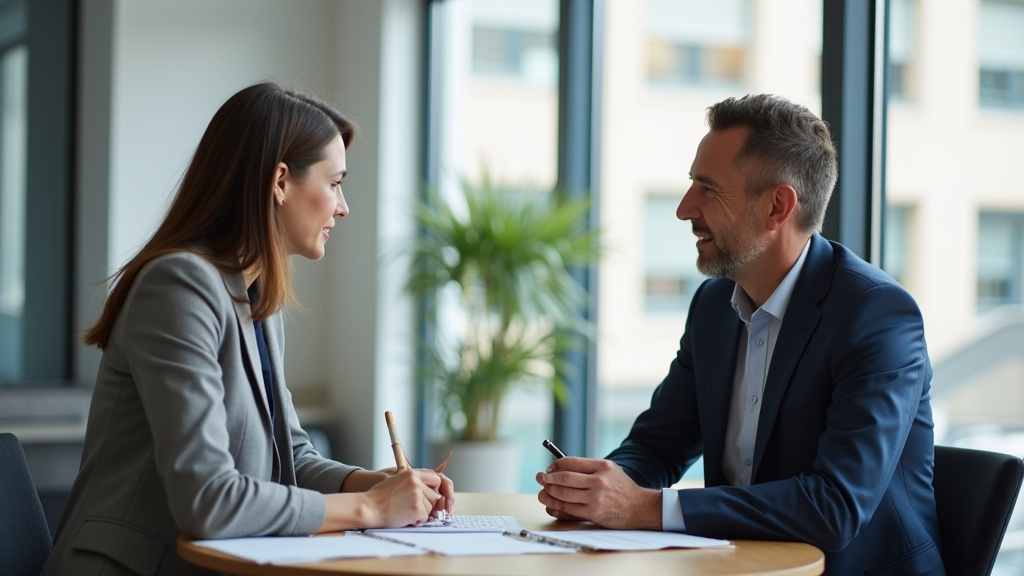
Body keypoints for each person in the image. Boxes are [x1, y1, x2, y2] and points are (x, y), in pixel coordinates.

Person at [43, 82, 454, 576]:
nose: (343, 207)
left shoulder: (256, 297)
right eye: (335, 182)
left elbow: (291, 458)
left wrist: (370, 483)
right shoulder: (179, 285)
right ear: (280, 181)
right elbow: (208, 499)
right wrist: (372, 510)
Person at [536, 94, 943, 575]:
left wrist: (645, 508)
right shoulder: (714, 306)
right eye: (692, 184)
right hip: (740, 566)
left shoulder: (876, 315)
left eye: (708, 189)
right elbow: (657, 445)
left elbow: (835, 506)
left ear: (777, 206)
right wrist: (596, 491)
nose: (685, 209)